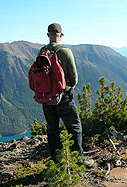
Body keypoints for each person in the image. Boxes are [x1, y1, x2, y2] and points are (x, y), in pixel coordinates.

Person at [41, 23, 83, 162]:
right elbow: (74, 77)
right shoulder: (65, 52)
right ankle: (78, 159)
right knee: (74, 127)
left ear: (48, 35)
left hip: (46, 98)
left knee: (52, 130)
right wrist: (69, 87)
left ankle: (56, 161)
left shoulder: (42, 51)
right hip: (63, 97)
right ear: (61, 35)